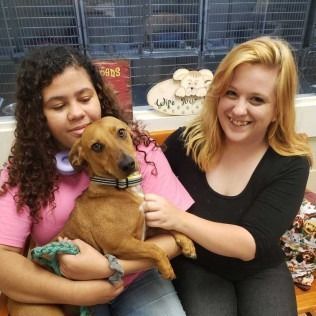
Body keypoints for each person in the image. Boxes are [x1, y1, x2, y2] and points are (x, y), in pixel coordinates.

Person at [0, 46, 194, 316]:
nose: (76, 113)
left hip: (137, 280)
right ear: (38, 114)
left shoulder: (139, 152)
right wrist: (80, 291)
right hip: (63, 284)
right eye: (58, 105)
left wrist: (111, 267)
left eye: (85, 97)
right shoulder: (21, 173)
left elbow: (180, 231)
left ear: (99, 96)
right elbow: (3, 261)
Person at [142, 36, 313, 316]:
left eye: (257, 99)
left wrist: (178, 218)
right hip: (198, 262)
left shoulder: (291, 163)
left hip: (258, 267)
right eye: (231, 93)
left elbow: (250, 245)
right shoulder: (184, 143)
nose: (238, 109)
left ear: (277, 110)